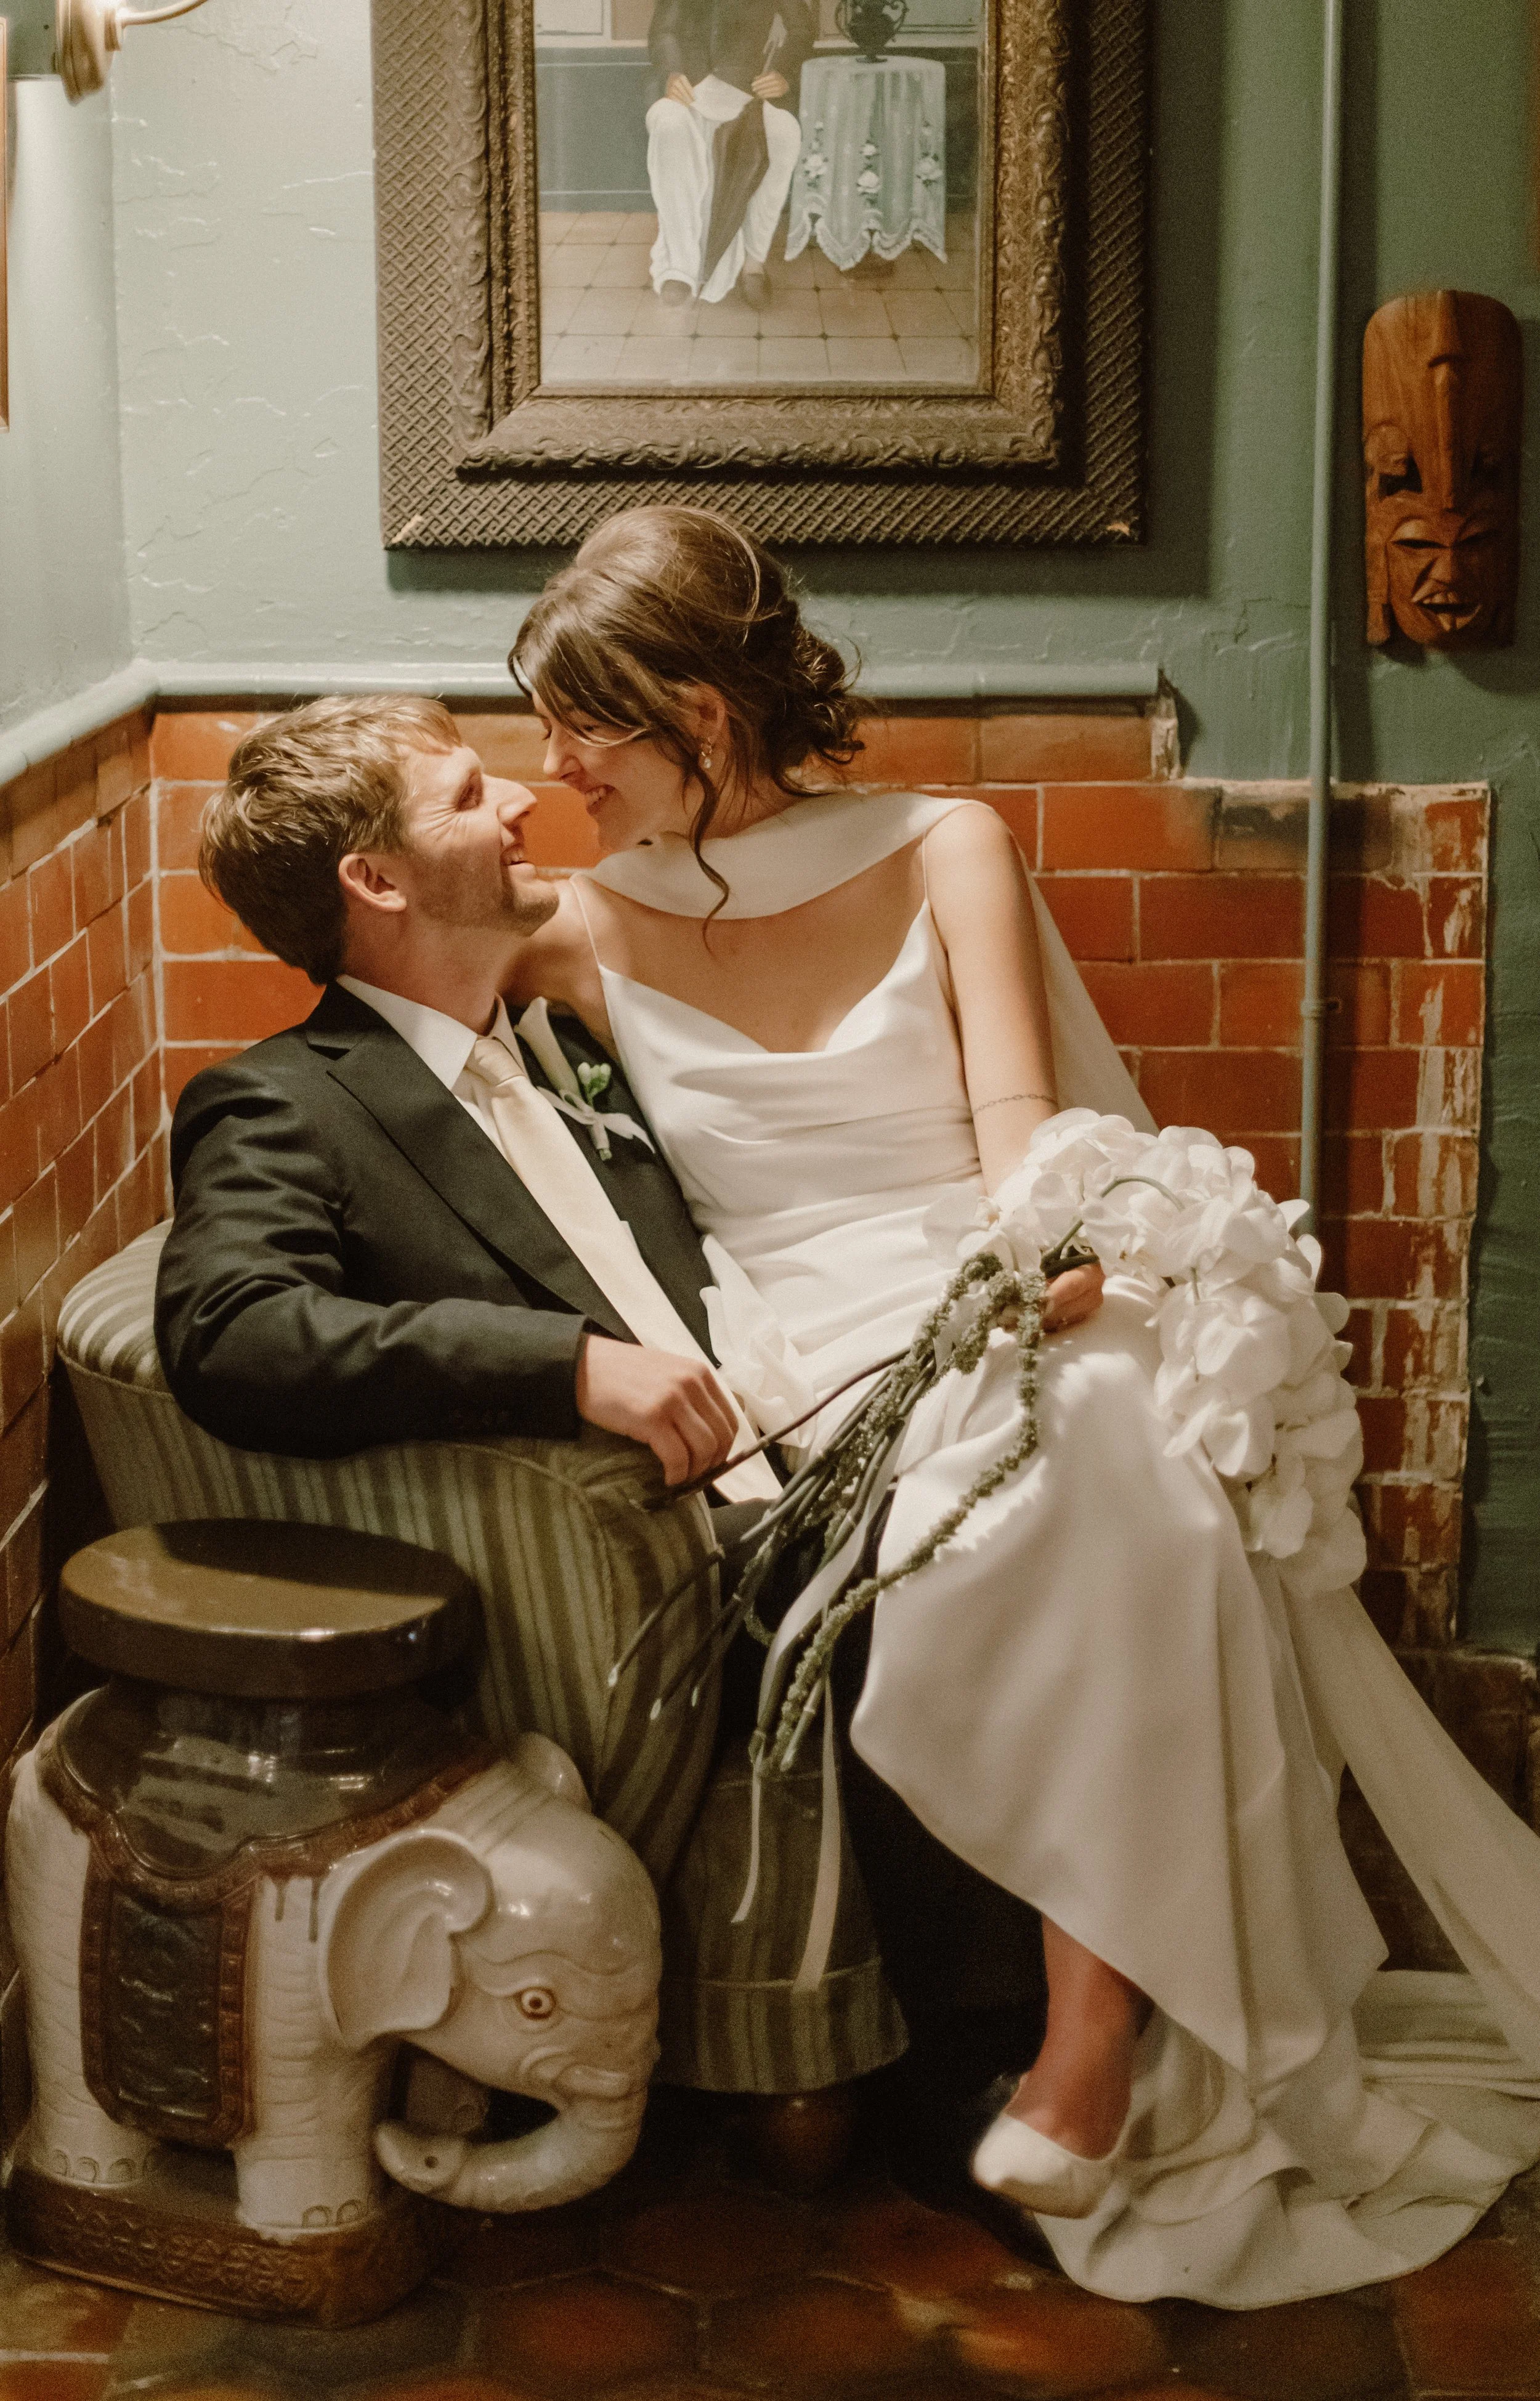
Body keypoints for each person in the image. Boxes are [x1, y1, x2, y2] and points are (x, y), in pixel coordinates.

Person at [503, 502, 1540, 2309]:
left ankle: (1087, 2037)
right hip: (800, 1331)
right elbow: (386, 1021)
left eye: (577, 725)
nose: (550, 767)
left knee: (1131, 1445)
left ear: (696, 712)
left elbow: (1016, 1132)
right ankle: (1087, 2024)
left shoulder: (944, 844)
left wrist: (1035, 1264)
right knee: (981, 1521)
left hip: (983, 1262)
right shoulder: (577, 922)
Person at [151, 693, 1102, 2138]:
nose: (521, 803)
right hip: (660, 1552)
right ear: (377, 879)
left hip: (797, 1421)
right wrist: (567, 1365)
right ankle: (964, 2077)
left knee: (1072, 1471)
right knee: (953, 1556)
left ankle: (1106, 2012)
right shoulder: (285, 1100)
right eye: (466, 795)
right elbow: (228, 1330)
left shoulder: (555, 1032)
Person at [645, 0, 816, 308]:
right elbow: (664, 31)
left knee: (784, 133)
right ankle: (680, 268)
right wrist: (672, 72)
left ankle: (753, 263)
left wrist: (781, 73)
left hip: (748, 90)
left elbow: (802, 28)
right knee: (669, 124)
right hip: (688, 90)